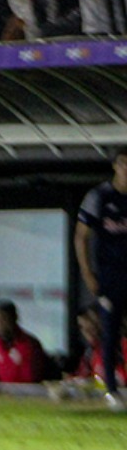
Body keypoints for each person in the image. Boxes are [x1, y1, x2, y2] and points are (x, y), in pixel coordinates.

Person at [74, 147, 127, 411]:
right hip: (110, 276)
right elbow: (81, 236)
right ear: (115, 166)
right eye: (124, 163)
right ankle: (112, 391)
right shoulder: (99, 196)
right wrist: (87, 273)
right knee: (110, 331)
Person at [0, 299, 49, 384]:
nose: (0, 324)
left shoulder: (29, 345)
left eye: (4, 318)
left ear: (15, 318)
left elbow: (30, 379)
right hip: (2, 392)